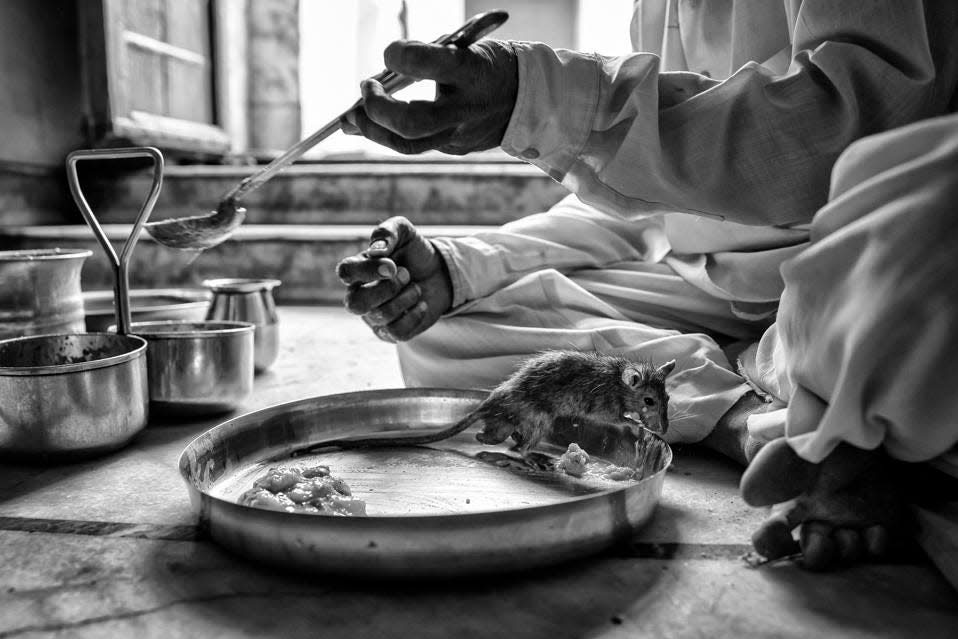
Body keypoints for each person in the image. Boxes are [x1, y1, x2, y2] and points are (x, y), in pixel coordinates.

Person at [335, 0, 958, 570]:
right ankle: (752, 422)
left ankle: (818, 419)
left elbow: (844, 129)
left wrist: (540, 100)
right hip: (701, 279)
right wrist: (458, 267)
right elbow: (642, 199)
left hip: (839, 272)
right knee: (442, 331)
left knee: (905, 283)